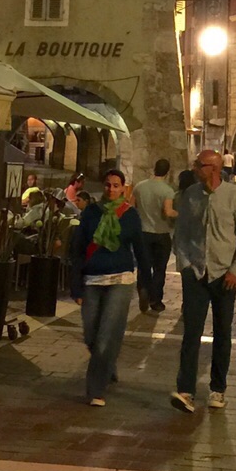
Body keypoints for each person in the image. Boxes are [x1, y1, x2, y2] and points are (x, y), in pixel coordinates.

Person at [170, 149, 236, 414]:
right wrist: (184, 265)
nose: (195, 168)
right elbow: (180, 234)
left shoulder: (235, 196)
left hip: (224, 274)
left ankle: (218, 388)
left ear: (214, 169)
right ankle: (186, 390)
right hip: (196, 272)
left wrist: (235, 270)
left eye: (200, 165)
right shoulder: (189, 196)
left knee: (222, 332)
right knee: (191, 333)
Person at [70, 168, 151, 407]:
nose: (111, 189)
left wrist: (147, 283)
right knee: (91, 335)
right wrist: (75, 286)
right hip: (92, 280)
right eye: (107, 185)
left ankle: (95, 389)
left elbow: (141, 249)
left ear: (123, 188)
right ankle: (109, 363)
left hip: (120, 280)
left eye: (116, 185)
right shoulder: (91, 213)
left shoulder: (130, 215)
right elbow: (77, 250)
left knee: (105, 337)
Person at [133, 157, 177, 313]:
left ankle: (143, 289)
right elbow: (168, 211)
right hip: (161, 233)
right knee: (159, 269)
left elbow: (133, 206)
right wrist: (181, 214)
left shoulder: (139, 187)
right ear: (167, 171)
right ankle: (155, 300)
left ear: (154, 168)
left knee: (143, 266)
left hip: (143, 232)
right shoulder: (167, 190)